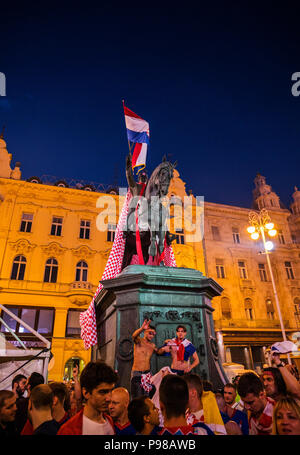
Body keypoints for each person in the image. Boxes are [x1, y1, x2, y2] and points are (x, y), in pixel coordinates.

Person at [58, 360, 117, 435]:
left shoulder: (109, 421)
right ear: (86, 393)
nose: (109, 398)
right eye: (102, 392)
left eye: (110, 391)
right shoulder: (69, 430)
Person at [131, 319, 167, 399]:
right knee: (137, 398)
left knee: (147, 398)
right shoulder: (139, 341)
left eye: (153, 334)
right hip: (137, 373)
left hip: (147, 374)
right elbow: (133, 336)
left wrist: (166, 345)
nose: (151, 336)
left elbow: (158, 352)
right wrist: (142, 328)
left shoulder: (152, 345)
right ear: (145, 332)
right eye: (149, 333)